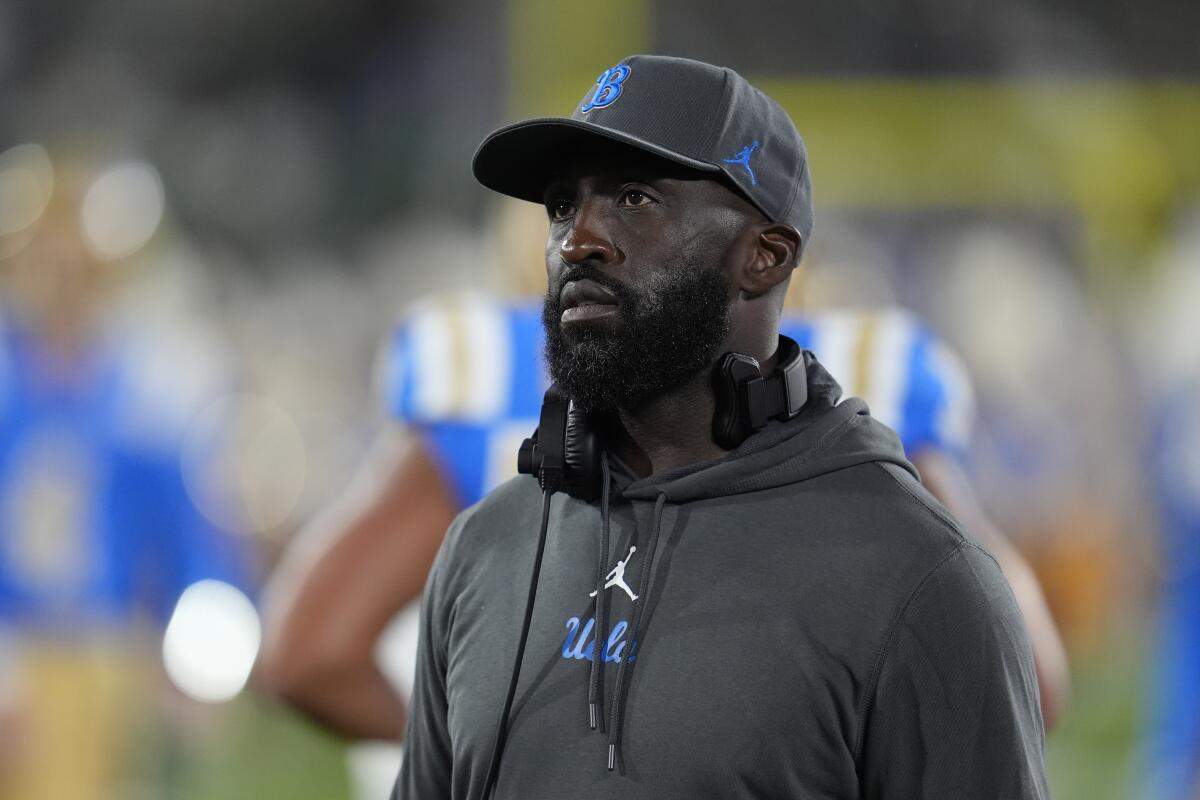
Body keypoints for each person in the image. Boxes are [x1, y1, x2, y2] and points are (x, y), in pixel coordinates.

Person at [383, 54, 1047, 798]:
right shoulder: (489, 546)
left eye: (634, 198)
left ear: (764, 258)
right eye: (564, 205)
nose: (578, 241)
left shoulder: (916, 578)